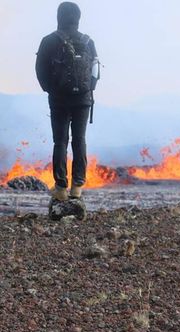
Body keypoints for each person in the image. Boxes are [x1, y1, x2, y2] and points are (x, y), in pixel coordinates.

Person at [36, 2, 98, 201]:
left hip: (59, 99)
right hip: (83, 99)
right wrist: (89, 90)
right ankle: (77, 187)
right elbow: (96, 71)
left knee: (60, 141)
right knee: (79, 140)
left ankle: (61, 188)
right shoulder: (88, 41)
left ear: (58, 17)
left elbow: (40, 70)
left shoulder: (48, 41)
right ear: (78, 19)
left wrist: (50, 89)